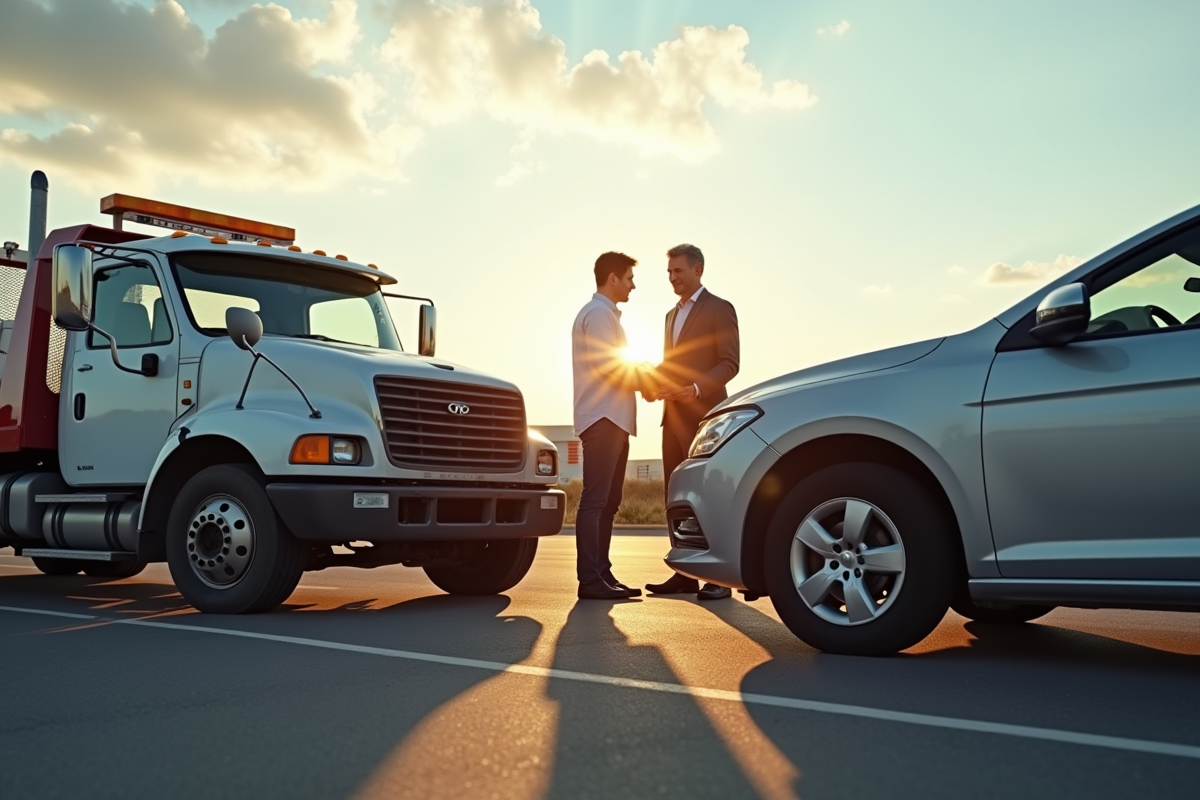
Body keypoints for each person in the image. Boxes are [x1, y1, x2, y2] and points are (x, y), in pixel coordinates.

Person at [644, 244, 740, 601]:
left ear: (698, 270)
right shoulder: (670, 316)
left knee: (708, 493)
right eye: (669, 272)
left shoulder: (720, 309)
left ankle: (719, 578)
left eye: (678, 271)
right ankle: (685, 573)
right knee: (676, 495)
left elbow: (729, 363)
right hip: (672, 418)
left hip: (706, 418)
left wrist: (695, 389)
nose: (672, 278)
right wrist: (653, 382)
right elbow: (670, 364)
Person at [571, 251, 651, 600]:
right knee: (595, 500)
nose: (634, 284)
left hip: (614, 419)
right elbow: (609, 367)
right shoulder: (599, 315)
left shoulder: (605, 316)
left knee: (608, 502)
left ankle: (601, 573)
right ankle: (590, 580)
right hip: (603, 418)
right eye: (630, 277)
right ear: (613, 278)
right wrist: (650, 383)